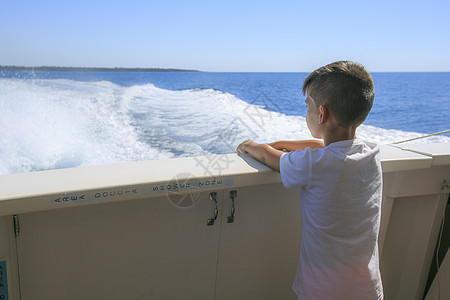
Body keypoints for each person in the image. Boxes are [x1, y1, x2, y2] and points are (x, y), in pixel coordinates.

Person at [237, 61, 384, 300]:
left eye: (308, 106)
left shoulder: (313, 164)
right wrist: (284, 142)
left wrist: (251, 145)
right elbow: (323, 146)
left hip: (324, 291)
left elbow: (267, 157)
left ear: (321, 113)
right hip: (368, 289)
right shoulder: (370, 154)